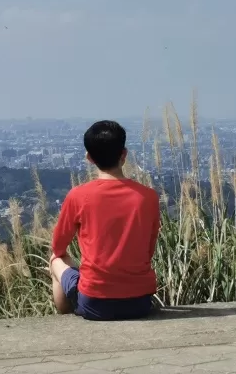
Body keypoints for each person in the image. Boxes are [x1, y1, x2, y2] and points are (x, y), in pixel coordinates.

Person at [49, 120, 161, 320]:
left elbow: (58, 246)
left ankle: (66, 315)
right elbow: (148, 250)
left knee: (56, 259)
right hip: (140, 302)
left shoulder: (78, 196)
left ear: (89, 157)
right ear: (124, 154)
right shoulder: (148, 197)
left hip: (95, 303)